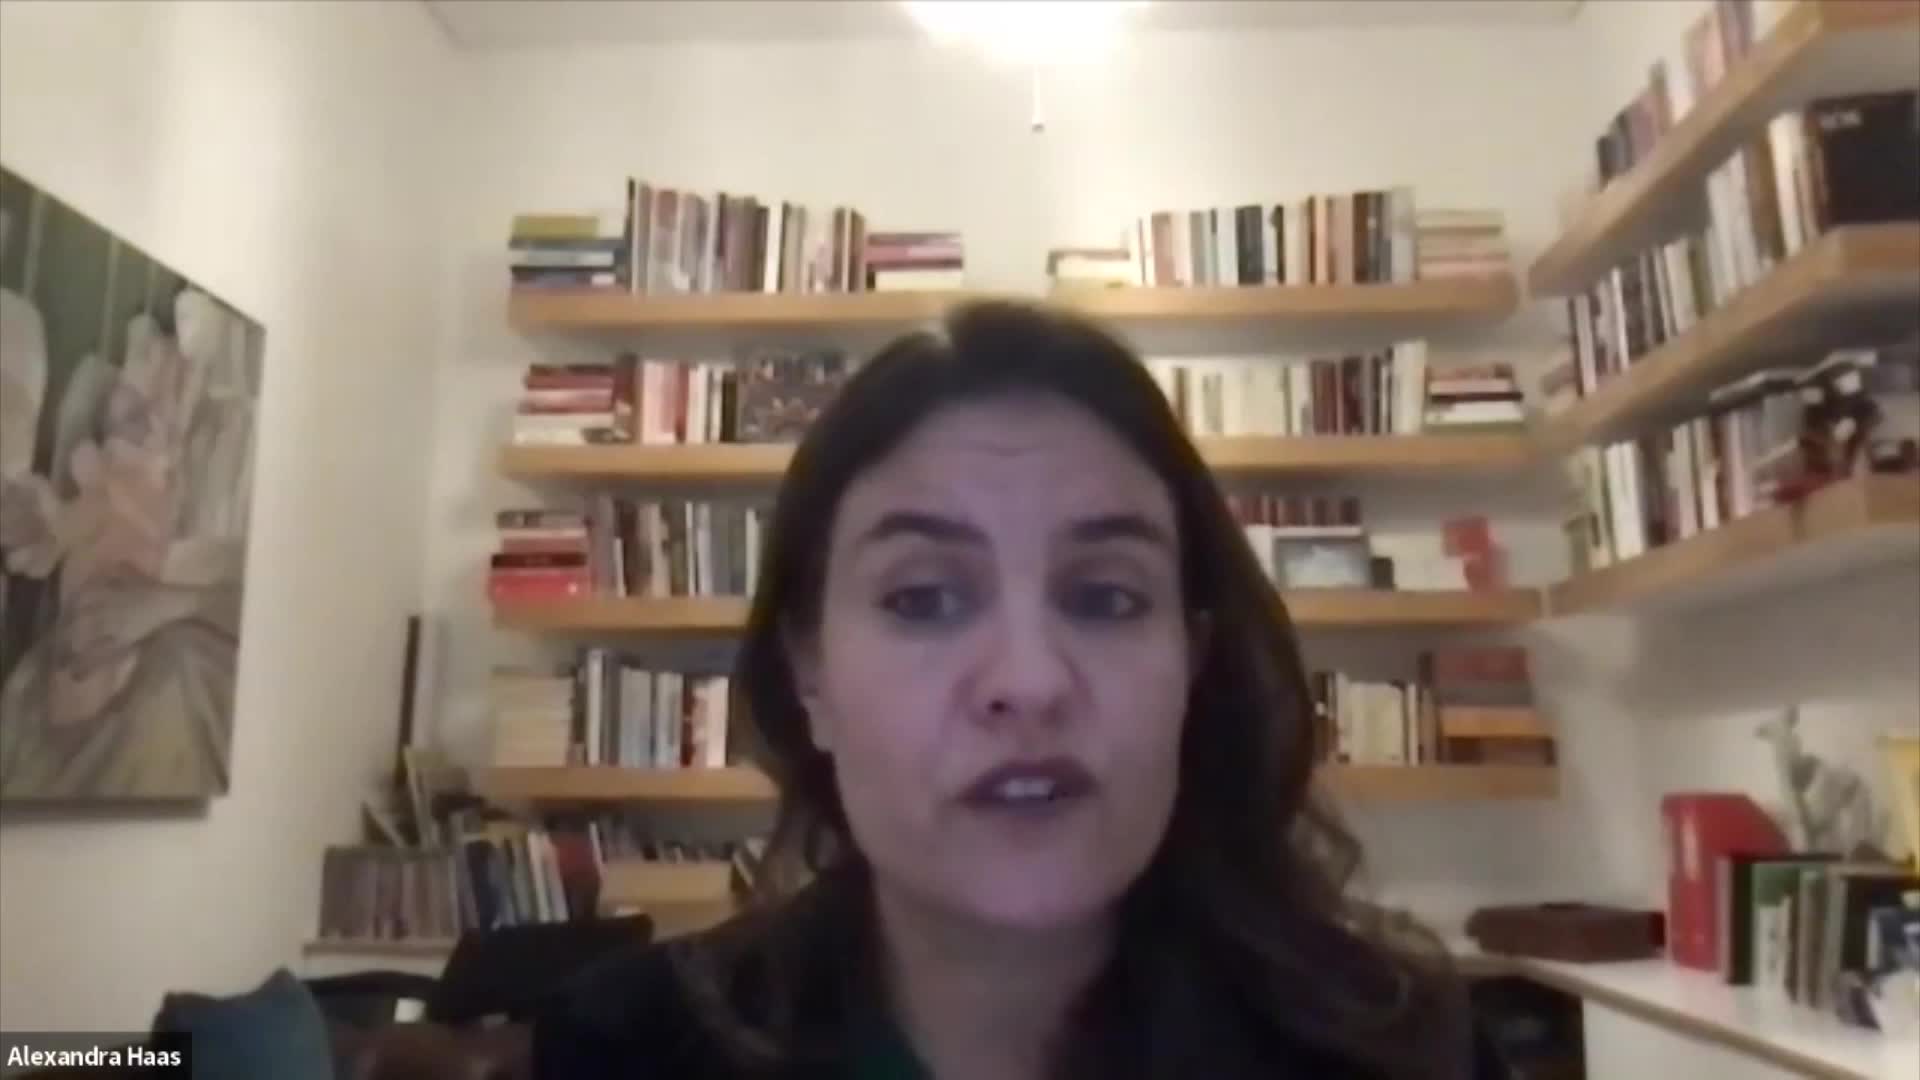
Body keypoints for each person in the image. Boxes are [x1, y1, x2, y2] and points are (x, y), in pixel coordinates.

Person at [534, 301, 1494, 1079]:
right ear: (809, 672)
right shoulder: (627, 1049)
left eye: (1107, 597)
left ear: (1193, 663)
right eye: (923, 598)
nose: (1030, 682)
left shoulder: (1412, 1055)